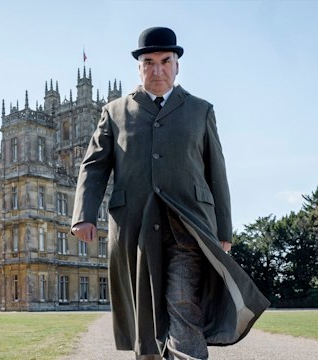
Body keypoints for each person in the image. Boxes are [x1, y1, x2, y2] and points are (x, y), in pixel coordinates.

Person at [71, 27, 270, 360]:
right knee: (145, 313)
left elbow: (216, 173)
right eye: (149, 62)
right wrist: (83, 215)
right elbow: (94, 166)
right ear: (138, 67)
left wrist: (224, 230)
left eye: (165, 61)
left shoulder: (200, 110)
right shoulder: (115, 112)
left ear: (177, 66)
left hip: (189, 224)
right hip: (135, 225)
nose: (157, 69)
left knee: (182, 300)